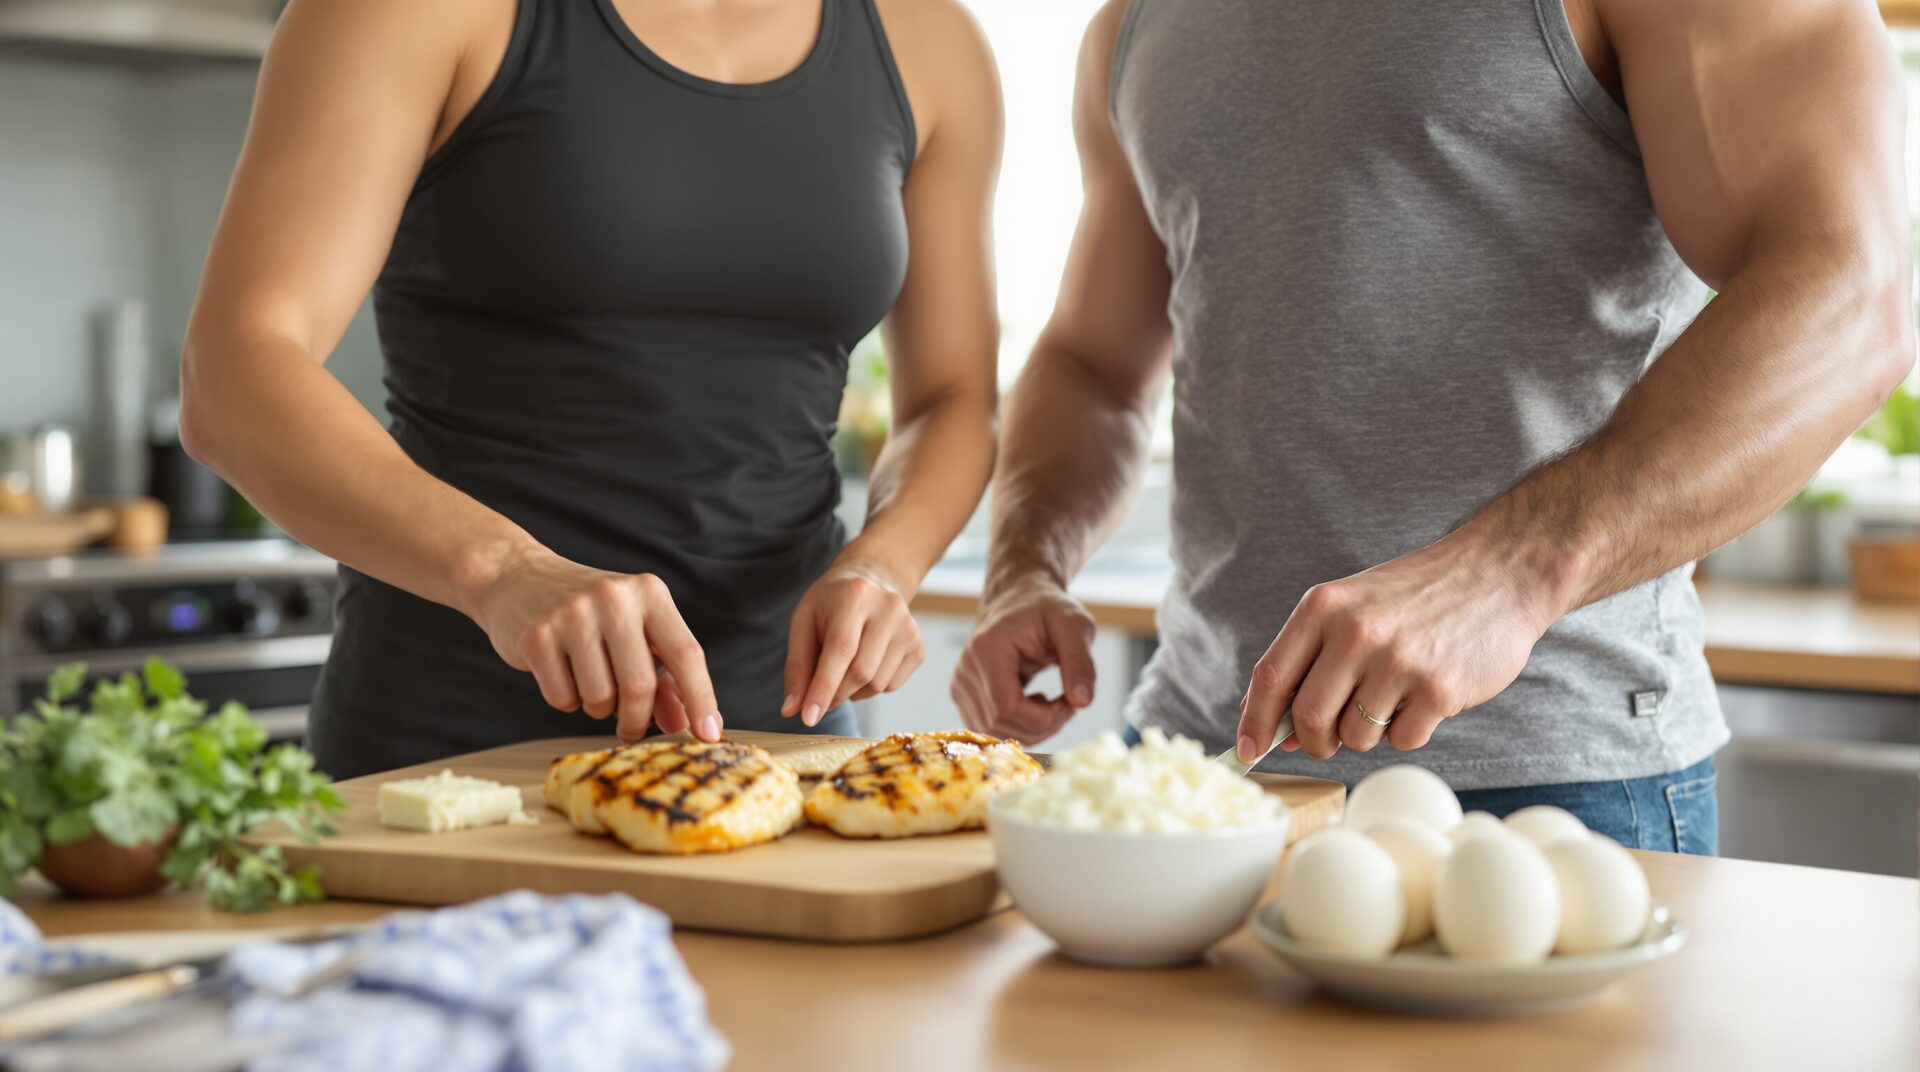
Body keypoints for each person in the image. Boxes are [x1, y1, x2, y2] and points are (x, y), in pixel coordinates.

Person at [952, 0, 1911, 853]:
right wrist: (1024, 569)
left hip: (1544, 789)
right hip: (1195, 769)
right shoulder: (1133, 23)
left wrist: (1508, 572)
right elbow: (1091, 364)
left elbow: (1849, 292)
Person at [181, 0, 1003, 779]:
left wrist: (887, 565)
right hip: (448, 765)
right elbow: (232, 370)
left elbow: (954, 396)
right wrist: (505, 569)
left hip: (784, 755)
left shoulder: (927, 41)